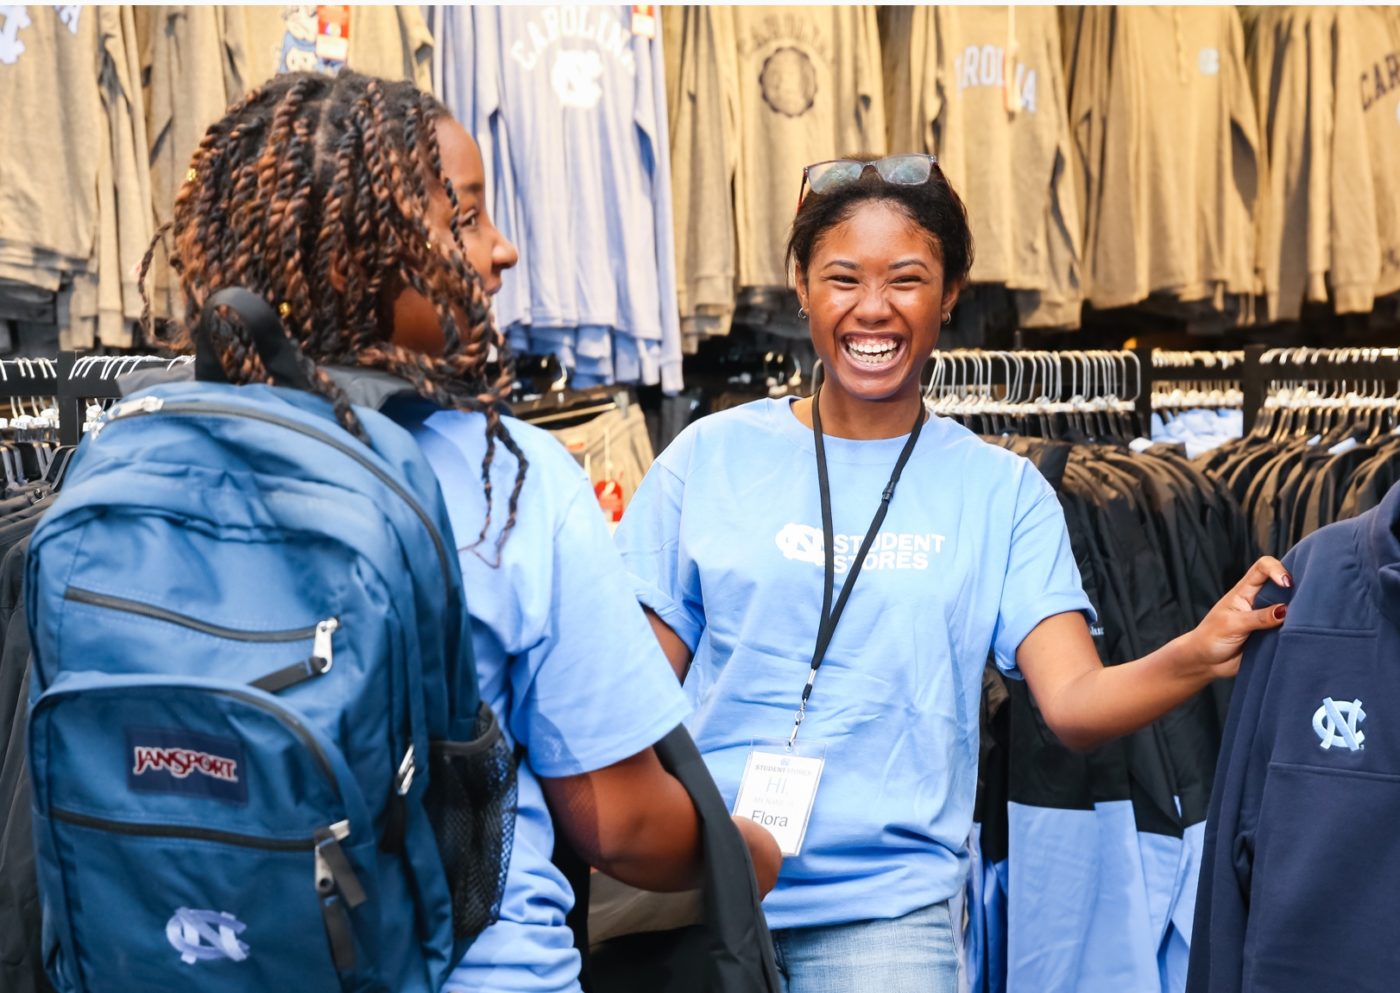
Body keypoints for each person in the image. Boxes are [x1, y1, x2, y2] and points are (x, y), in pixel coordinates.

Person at [145, 70, 782, 993]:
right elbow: (616, 820)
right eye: (467, 219)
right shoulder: (507, 480)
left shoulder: (145, 454)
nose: (504, 250)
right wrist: (741, 851)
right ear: (355, 258)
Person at [613, 153, 1290, 993]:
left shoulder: (1001, 491)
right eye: (842, 277)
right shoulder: (706, 460)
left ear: (951, 292)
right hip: (699, 896)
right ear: (799, 284)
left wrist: (1198, 649)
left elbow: (1074, 705)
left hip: (886, 918)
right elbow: (630, 698)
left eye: (906, 278)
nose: (872, 308)